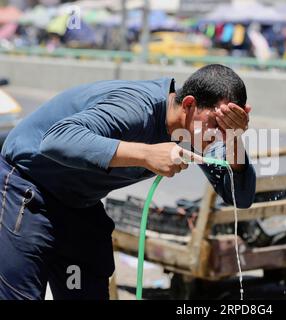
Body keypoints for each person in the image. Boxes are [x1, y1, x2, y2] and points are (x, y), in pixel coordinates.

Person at [0, 64, 256, 300]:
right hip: (27, 188)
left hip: (78, 204)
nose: (218, 137)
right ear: (189, 105)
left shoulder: (197, 132)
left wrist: (233, 139)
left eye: (228, 127)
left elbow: (239, 197)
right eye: (215, 124)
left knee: (85, 290)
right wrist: (147, 154)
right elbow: (56, 140)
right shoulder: (135, 107)